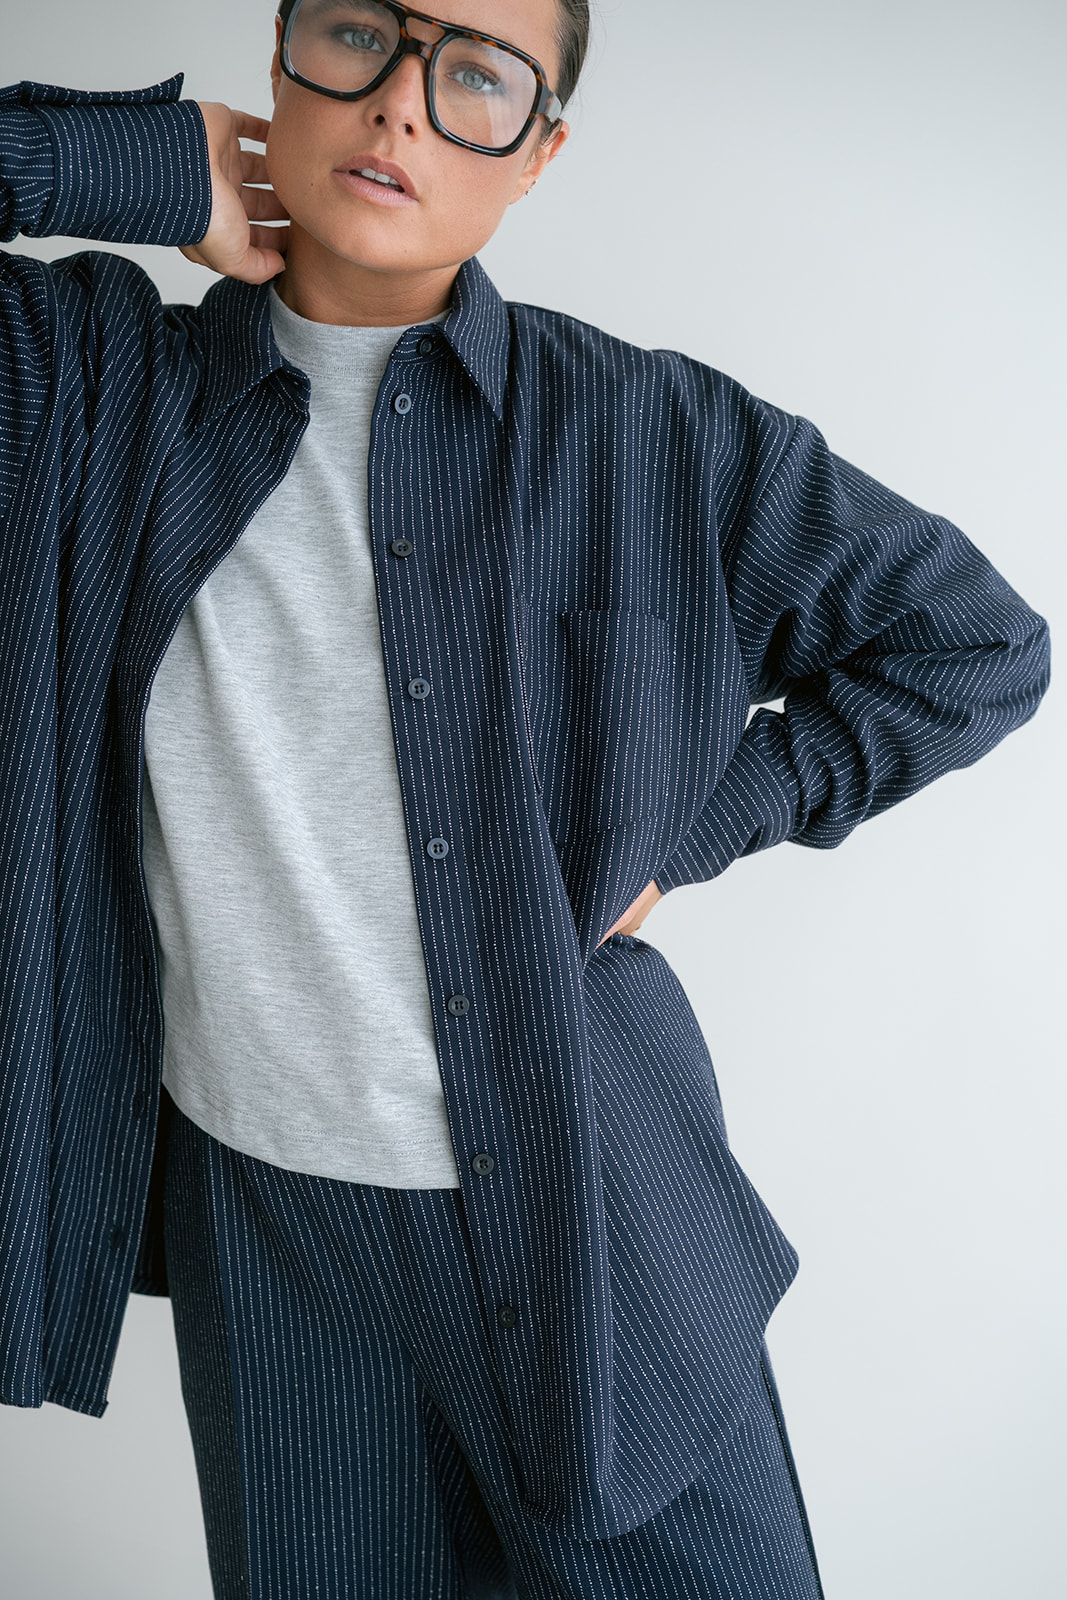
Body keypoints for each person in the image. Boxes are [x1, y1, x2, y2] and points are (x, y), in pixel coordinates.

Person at [0, 1, 1050, 1596]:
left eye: (477, 76)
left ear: (541, 153)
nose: (401, 106)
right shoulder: (94, 394)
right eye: (358, 33)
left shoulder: (649, 433)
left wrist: (702, 818)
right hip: (267, 1244)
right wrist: (129, 160)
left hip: (590, 1231)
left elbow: (975, 645)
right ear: (280, 60)